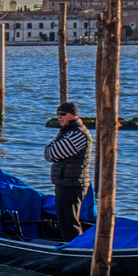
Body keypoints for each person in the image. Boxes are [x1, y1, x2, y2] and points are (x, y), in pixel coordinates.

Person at [44, 102, 92, 238]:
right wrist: (52, 148)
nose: (59, 117)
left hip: (72, 184)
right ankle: (68, 244)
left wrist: (52, 148)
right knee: (64, 219)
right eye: (58, 114)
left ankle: (75, 248)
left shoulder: (78, 134)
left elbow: (52, 153)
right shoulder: (67, 132)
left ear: (73, 115)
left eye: (63, 114)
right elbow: (48, 152)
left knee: (70, 221)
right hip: (64, 182)